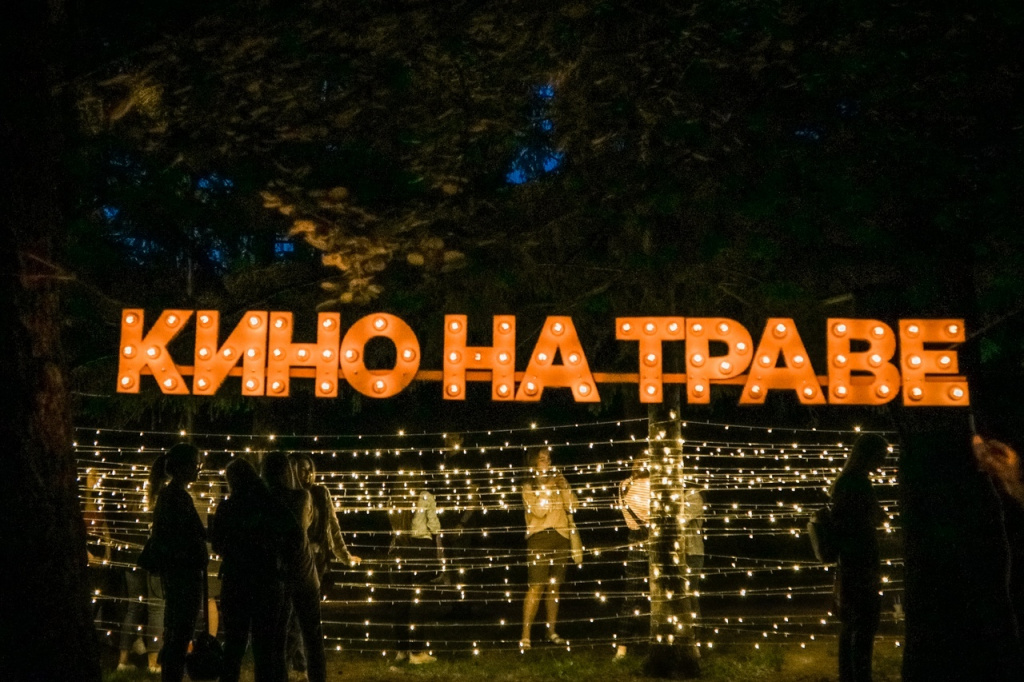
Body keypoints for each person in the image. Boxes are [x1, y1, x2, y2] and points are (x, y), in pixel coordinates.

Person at [212, 458, 295, 682]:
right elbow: (293, 533)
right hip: (267, 581)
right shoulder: (270, 504)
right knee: (264, 647)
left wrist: (235, 547)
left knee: (234, 645)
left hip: (236, 580)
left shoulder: (228, 507)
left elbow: (217, 544)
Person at [263, 452, 326, 682]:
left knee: (281, 636)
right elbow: (302, 529)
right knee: (309, 635)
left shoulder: (267, 500)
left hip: (284, 573)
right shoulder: (301, 497)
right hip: (301, 572)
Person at [831, 433, 889, 682]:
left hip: (848, 558)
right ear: (869, 455)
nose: (883, 462)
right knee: (865, 622)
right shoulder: (858, 483)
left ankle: (849, 675)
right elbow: (867, 518)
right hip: (861, 559)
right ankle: (860, 675)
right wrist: (878, 516)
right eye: (881, 456)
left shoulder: (845, 482)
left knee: (851, 622)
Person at [149, 443, 208, 682]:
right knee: (181, 632)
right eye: (196, 464)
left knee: (176, 630)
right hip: (184, 575)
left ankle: (171, 674)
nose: (199, 469)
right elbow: (192, 533)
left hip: (176, 575)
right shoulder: (178, 497)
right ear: (183, 467)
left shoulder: (170, 495)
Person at [520, 447, 577, 650]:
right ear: (533, 464)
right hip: (539, 538)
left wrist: (564, 487)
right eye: (542, 459)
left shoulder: (558, 481)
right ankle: (525, 635)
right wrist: (547, 487)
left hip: (561, 536)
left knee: (554, 586)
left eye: (548, 458)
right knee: (536, 586)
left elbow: (573, 505)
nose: (548, 462)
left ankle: (551, 631)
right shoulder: (528, 487)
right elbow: (539, 510)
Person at [386, 460, 441, 666]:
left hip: (399, 549)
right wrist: (438, 553)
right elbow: (434, 526)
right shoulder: (425, 496)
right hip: (420, 549)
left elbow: (393, 526)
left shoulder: (393, 498)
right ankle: (417, 652)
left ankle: (401, 650)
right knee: (418, 603)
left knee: (400, 603)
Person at [116, 460, 165, 674]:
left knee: (134, 607)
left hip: (130, 556)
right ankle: (153, 662)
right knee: (156, 607)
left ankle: (122, 661)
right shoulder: (158, 496)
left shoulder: (129, 496)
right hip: (152, 558)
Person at [614, 458, 650, 660]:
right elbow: (644, 512)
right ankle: (623, 647)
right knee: (635, 594)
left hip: (638, 538)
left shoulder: (626, 485)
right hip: (642, 537)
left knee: (636, 594)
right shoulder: (627, 485)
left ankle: (625, 647)